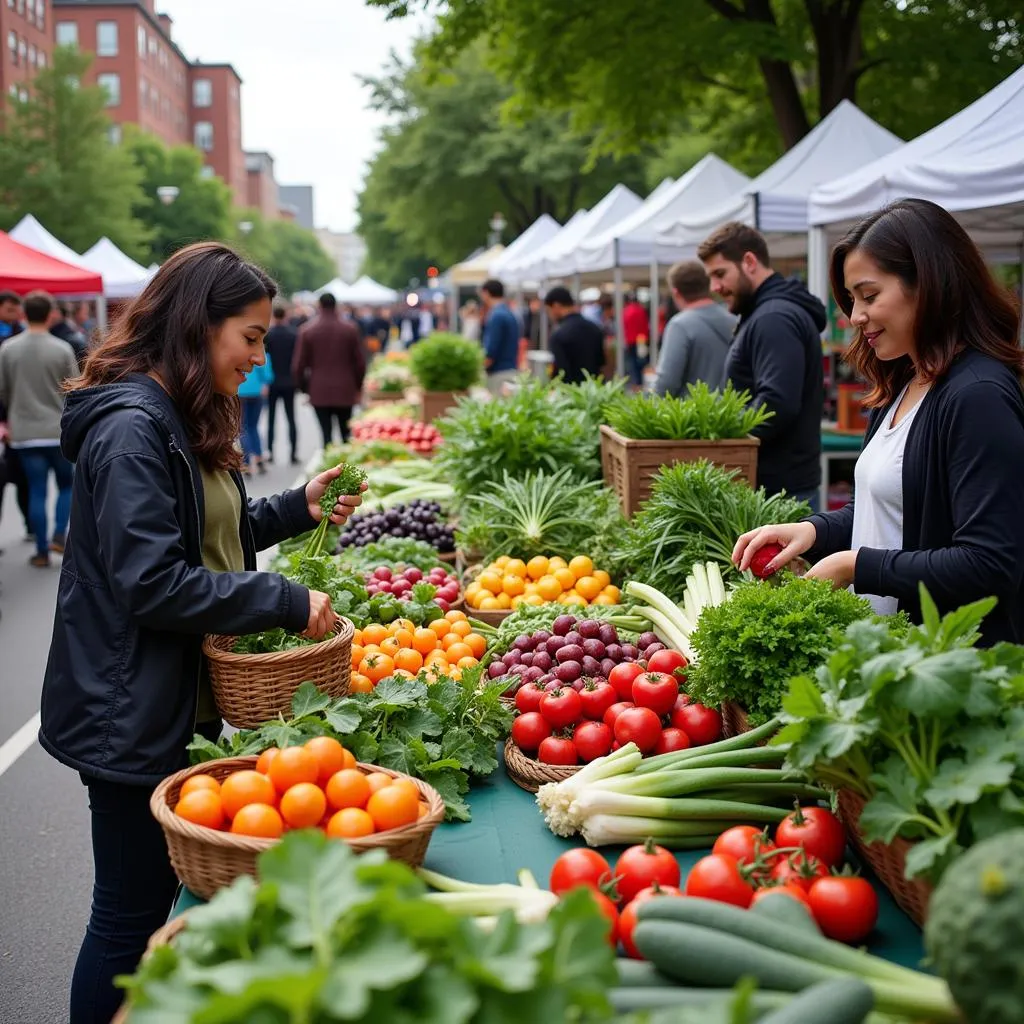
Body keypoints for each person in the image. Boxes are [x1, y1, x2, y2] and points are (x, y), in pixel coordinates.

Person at [37, 242, 363, 1024]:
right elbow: (152, 582)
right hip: (130, 716)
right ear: (196, 324)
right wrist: (283, 600)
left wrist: (294, 510)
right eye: (250, 336)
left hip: (171, 703)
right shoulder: (131, 430)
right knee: (125, 921)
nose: (261, 354)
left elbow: (205, 534)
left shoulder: (174, 416)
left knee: (154, 913)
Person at [733, 198, 1024, 643]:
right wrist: (811, 530)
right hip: (886, 658)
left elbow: (989, 562)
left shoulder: (978, 396)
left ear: (929, 284)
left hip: (946, 668)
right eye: (851, 299)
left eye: (869, 295)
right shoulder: (904, 381)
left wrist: (856, 566)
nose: (855, 317)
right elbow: (887, 512)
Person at [698, 222, 826, 508]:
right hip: (779, 486)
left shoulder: (773, 318)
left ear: (749, 262)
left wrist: (722, 435)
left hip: (779, 492)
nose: (715, 287)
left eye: (720, 274)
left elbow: (777, 402)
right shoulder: (766, 312)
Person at [0, 290, 78, 566]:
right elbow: (74, 389)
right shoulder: (61, 348)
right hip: (55, 430)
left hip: (24, 431)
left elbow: (3, 391)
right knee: (66, 485)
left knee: (36, 490)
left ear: (24, 314)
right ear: (49, 314)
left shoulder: (8, 349)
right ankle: (60, 533)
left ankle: (41, 550)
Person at [293, 292, 366, 447]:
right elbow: (360, 363)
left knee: (326, 437)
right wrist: (358, 387)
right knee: (346, 435)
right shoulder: (350, 329)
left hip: (319, 389)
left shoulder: (307, 331)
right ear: (336, 306)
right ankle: (346, 469)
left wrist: (305, 389)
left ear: (319, 306)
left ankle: (330, 469)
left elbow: (298, 366)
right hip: (346, 388)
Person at [653, 261, 735, 396]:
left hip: (693, 413)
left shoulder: (680, 325)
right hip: (731, 411)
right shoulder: (733, 319)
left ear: (676, 293)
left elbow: (667, 382)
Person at [0, 290, 30, 540]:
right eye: (10, 309)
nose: (14, 315)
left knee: (24, 479)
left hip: (17, 422)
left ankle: (32, 527)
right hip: (10, 421)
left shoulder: (18, 335)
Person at [544, 285, 606, 384]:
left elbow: (561, 373)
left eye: (548, 310)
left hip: (571, 394)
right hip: (595, 391)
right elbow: (601, 363)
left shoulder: (559, 335)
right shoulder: (595, 328)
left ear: (556, 306)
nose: (550, 315)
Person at [264, 305, 300, 465]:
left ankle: (270, 452)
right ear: (285, 315)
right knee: (291, 417)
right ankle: (293, 453)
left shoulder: (268, 335)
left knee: (271, 418)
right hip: (289, 381)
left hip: (272, 382)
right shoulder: (293, 334)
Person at [479, 279, 520, 395]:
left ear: (486, 293)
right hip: (510, 369)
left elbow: (491, 350)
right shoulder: (509, 312)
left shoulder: (496, 316)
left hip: (499, 374)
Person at [236, 352, 273, 474]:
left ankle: (246, 463)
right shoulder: (260, 353)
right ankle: (258, 457)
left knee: (243, 427)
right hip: (257, 391)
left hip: (240, 391)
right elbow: (268, 375)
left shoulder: (238, 352)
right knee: (253, 426)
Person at [50, 300, 90, 369]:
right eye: (85, 313)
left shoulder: (76, 331)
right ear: (76, 313)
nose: (87, 317)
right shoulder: (70, 335)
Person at [622, 291, 650, 387]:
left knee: (632, 363)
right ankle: (640, 383)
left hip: (630, 340)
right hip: (641, 339)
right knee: (641, 362)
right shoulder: (641, 310)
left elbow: (624, 326)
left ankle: (636, 383)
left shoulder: (626, 310)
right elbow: (645, 326)